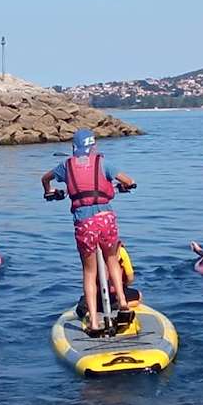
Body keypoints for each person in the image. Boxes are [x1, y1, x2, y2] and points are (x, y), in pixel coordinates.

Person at [42, 128, 136, 336]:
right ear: (93, 146)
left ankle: (94, 321)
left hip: (85, 223)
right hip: (106, 219)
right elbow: (128, 181)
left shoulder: (65, 166)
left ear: (74, 147)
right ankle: (122, 302)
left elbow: (45, 178)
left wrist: (48, 191)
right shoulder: (103, 163)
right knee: (112, 259)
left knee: (89, 271)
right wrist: (124, 187)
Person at [74, 241, 142, 318]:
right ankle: (119, 304)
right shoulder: (121, 252)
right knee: (139, 295)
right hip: (116, 295)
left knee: (81, 308)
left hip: (98, 296)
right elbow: (130, 278)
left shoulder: (92, 254)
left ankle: (92, 313)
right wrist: (124, 284)